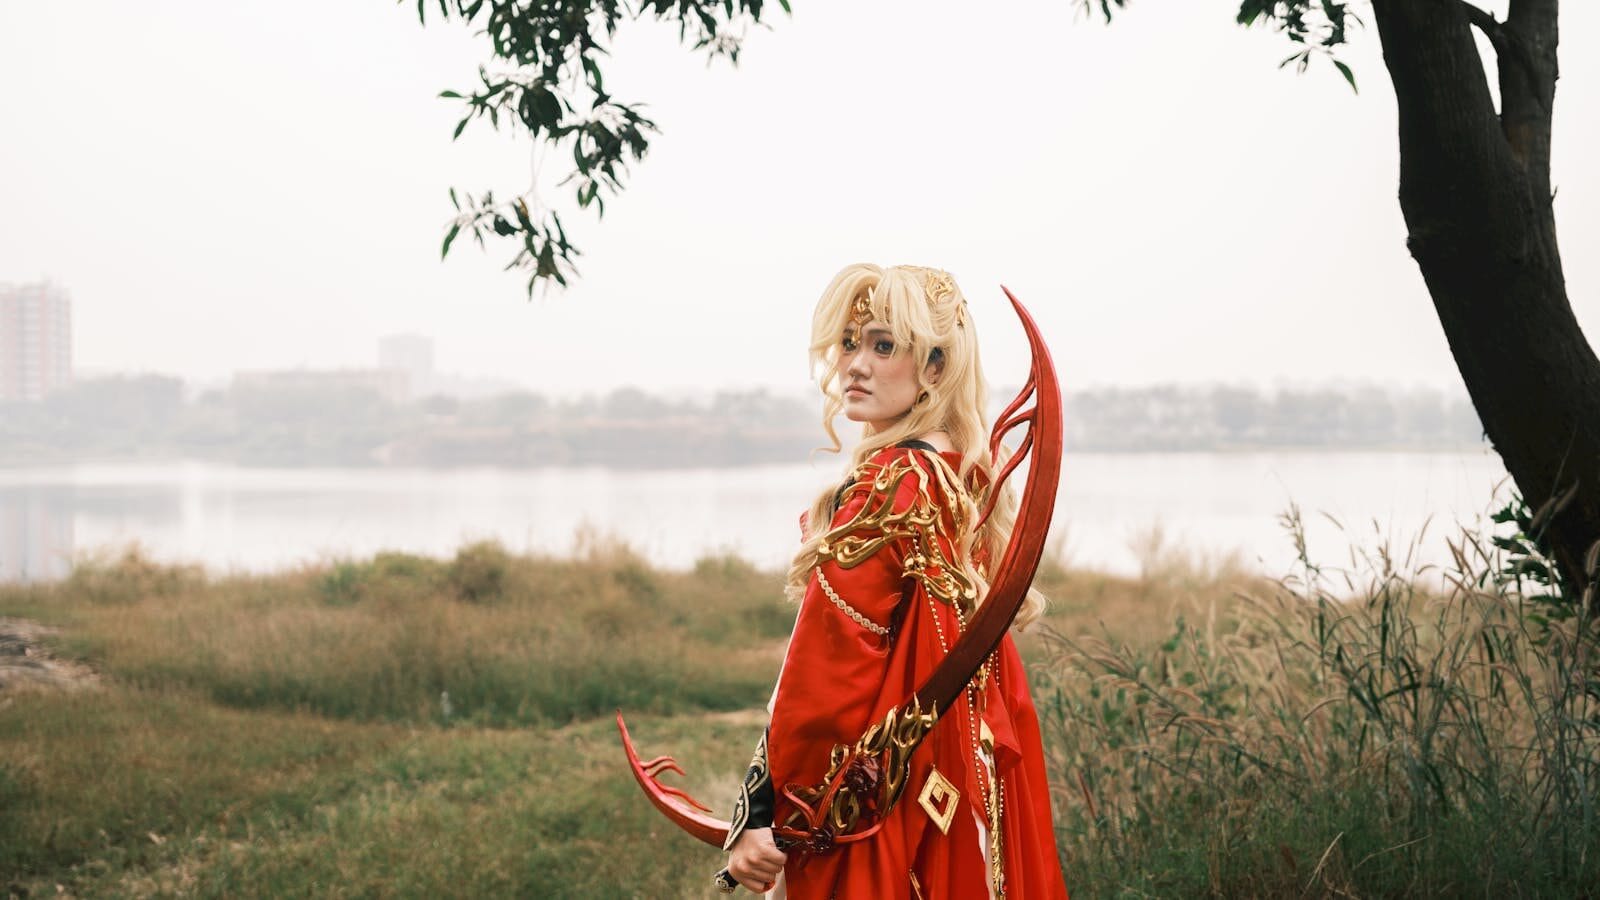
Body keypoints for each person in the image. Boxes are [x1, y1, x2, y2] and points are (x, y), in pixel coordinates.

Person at [721, 264, 1069, 899]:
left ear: (934, 369)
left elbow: (825, 676)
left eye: (883, 346)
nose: (855, 364)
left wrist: (765, 813)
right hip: (956, 787)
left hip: (878, 815)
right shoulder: (959, 482)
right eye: (850, 344)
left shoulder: (892, 484)